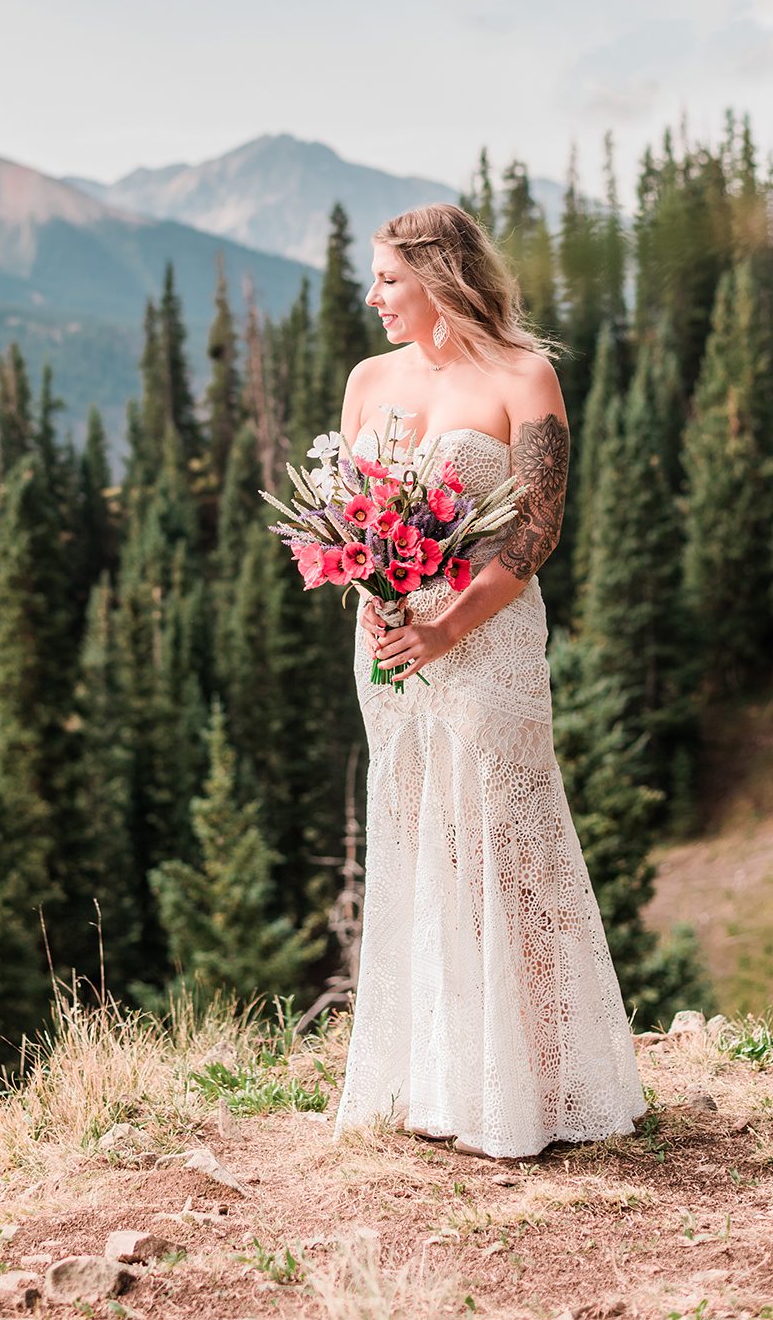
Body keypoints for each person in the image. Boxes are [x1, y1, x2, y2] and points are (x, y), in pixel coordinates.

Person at [331, 202, 646, 1161]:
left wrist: (449, 624)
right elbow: (351, 515)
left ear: (439, 273)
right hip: (390, 645)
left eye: (388, 277)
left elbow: (537, 530)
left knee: (507, 844)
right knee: (420, 834)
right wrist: (377, 598)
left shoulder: (523, 376)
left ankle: (536, 1086)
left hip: (489, 638)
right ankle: (438, 1078)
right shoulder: (369, 379)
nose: (374, 295)